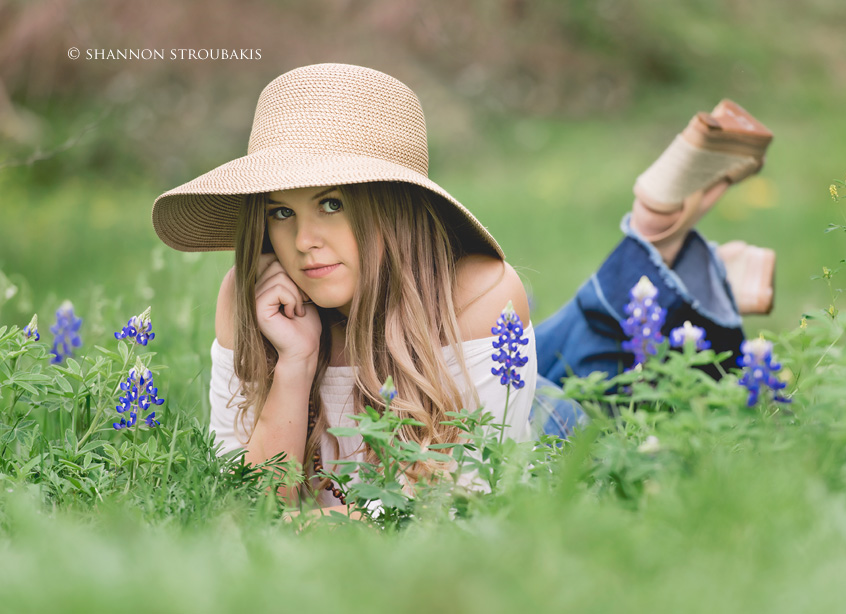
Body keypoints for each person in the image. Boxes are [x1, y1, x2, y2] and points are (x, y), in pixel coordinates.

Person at [151, 63, 774, 511]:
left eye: (332, 203)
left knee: (611, 397)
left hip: (527, 412)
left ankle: (662, 243)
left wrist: (337, 525)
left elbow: (464, 496)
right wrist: (295, 363)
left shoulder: (481, 293)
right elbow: (248, 495)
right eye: (280, 212)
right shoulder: (254, 300)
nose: (303, 239)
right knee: (557, 340)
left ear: (394, 207)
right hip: (454, 349)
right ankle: (669, 245)